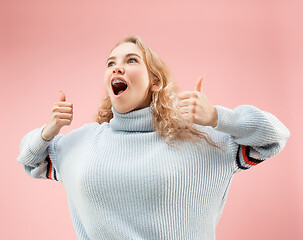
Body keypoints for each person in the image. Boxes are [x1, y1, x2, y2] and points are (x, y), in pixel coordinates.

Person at [17, 35, 290, 240]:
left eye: (131, 60)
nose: (117, 68)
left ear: (155, 81)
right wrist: (47, 132)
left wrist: (218, 118)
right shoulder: (82, 143)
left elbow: (275, 136)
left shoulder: (200, 139)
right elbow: (29, 161)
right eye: (111, 63)